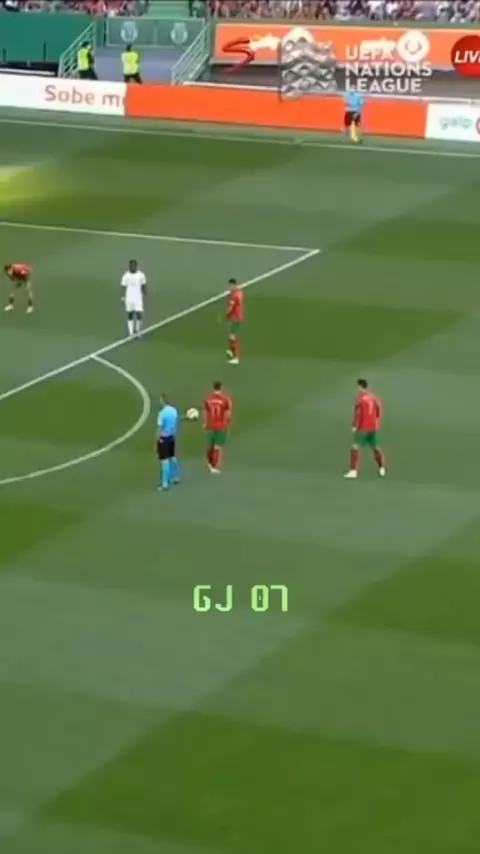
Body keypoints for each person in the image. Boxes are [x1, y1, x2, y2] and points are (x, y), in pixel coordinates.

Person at [344, 378, 386, 479]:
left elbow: (358, 414)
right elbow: (379, 410)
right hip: (374, 427)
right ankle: (382, 468)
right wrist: (376, 422)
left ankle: (353, 471)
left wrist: (354, 426)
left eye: (358, 387)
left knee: (355, 447)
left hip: (363, 427)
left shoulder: (360, 399)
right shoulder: (374, 397)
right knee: (376, 447)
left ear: (360, 387)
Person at [203, 380, 232, 473]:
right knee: (217, 447)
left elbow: (205, 412)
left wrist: (205, 423)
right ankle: (213, 467)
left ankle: (209, 463)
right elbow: (228, 414)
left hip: (210, 425)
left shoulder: (208, 399)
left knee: (210, 446)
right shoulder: (226, 399)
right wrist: (228, 424)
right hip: (221, 426)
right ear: (221, 387)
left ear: (213, 388)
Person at [156, 394, 181, 490]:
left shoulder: (162, 413)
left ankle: (165, 484)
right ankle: (176, 477)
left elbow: (159, 428)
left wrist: (156, 440)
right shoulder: (174, 410)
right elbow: (175, 423)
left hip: (163, 438)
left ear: (162, 401)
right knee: (172, 457)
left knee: (164, 460)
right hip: (171, 437)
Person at [121, 259, 146, 338]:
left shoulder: (141, 275)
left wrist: (144, 293)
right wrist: (122, 296)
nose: (132, 267)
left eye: (134, 266)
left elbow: (143, 284)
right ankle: (131, 332)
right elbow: (123, 286)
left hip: (138, 297)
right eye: (131, 266)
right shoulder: (126, 275)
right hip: (129, 297)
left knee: (139, 314)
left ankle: (137, 330)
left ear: (136, 266)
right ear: (129, 266)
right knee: (130, 314)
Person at [225, 278, 243, 364]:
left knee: (233, 336)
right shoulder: (240, 292)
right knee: (232, 336)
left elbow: (230, 307)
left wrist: (226, 314)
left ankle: (236, 357)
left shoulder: (234, 295)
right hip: (238, 317)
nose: (229, 287)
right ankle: (231, 351)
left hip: (235, 318)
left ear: (233, 285)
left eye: (230, 286)